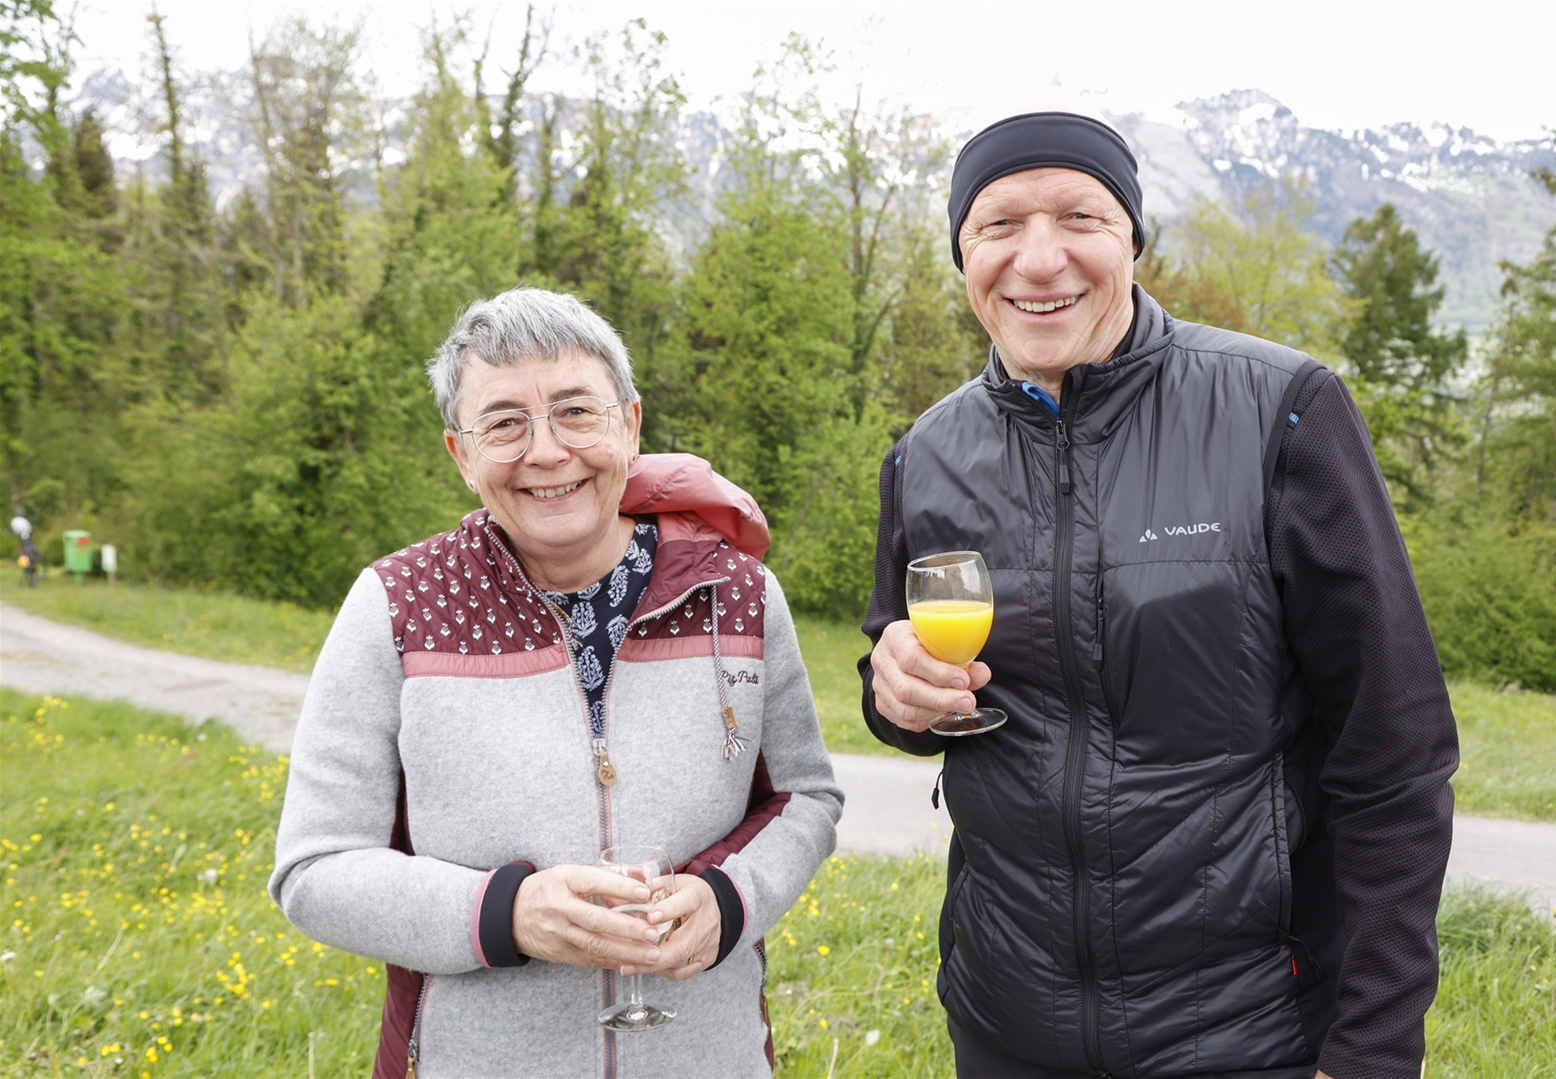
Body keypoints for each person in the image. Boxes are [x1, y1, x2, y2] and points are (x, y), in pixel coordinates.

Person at [860, 113, 1457, 1079]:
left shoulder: (1281, 412)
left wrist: (1375, 1047)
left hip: (1247, 1029)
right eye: (998, 225)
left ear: (1131, 239)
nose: (1038, 259)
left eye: (1079, 218)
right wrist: (893, 695)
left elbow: (1395, 753)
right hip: (1005, 1024)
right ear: (963, 254)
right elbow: (901, 680)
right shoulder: (924, 454)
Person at [270, 287, 842, 1078]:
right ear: (460, 454)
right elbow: (314, 869)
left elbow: (805, 796)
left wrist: (730, 897)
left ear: (629, 424)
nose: (545, 451)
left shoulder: (737, 594)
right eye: (504, 423)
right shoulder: (396, 606)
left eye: (575, 411)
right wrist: (507, 914)